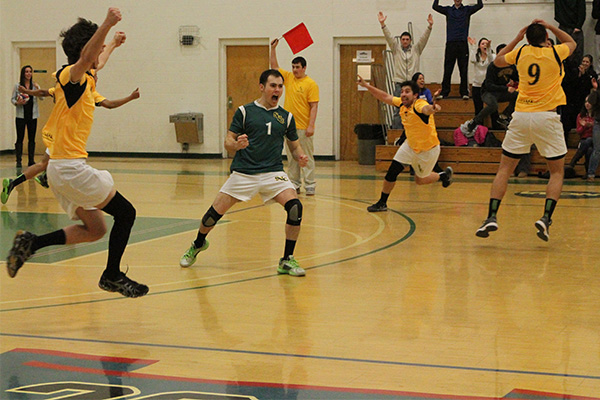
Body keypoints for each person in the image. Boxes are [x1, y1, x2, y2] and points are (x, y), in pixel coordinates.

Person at [5, 8, 149, 298]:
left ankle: (31, 243)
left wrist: (113, 46)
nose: (98, 57)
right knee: (126, 214)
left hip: (61, 170)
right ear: (87, 50)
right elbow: (87, 59)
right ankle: (112, 275)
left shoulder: (85, 78)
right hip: (70, 168)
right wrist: (108, 24)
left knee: (95, 229)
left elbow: (97, 61)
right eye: (96, 48)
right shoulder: (72, 76)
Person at [179, 69, 309, 277]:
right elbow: (228, 141)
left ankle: (286, 260)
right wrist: (237, 145)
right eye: (273, 86)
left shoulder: (286, 117)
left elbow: (294, 146)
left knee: (295, 208)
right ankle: (198, 244)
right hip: (244, 173)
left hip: (273, 172)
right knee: (212, 215)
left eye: (280, 86)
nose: (277, 90)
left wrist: (300, 156)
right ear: (262, 87)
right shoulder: (245, 111)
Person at [476, 20, 576, 242]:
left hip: (521, 116)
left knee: (504, 169)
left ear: (528, 39)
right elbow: (572, 42)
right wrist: (551, 27)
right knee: (557, 172)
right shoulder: (556, 52)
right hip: (547, 117)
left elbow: (498, 60)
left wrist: (517, 37)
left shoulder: (521, 52)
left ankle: (491, 216)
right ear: (546, 40)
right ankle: (545, 218)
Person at [1, 31, 128, 205]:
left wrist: (113, 43)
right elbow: (44, 91)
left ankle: (35, 179)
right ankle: (31, 180)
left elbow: (101, 61)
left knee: (45, 165)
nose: (96, 72)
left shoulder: (88, 85)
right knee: (44, 165)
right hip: (61, 139)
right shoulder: (72, 79)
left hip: (64, 141)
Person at [356, 77, 453, 212]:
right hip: (410, 145)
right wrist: (366, 85)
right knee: (391, 173)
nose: (403, 94)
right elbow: (384, 96)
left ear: (415, 95)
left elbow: (426, 109)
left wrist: (433, 108)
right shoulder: (402, 104)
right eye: (402, 91)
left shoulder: (418, 104)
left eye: (407, 92)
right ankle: (382, 203)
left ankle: (443, 175)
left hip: (428, 150)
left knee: (420, 180)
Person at [270, 39, 319, 196]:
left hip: (303, 127)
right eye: (293, 67)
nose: (295, 70)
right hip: (289, 126)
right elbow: (274, 68)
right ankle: (294, 184)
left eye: (298, 67)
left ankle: (310, 184)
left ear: (304, 68)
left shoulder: (311, 84)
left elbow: (314, 106)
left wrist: (311, 126)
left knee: (306, 157)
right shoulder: (289, 78)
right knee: (292, 158)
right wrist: (273, 49)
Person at [378, 12, 433, 127]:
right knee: (398, 110)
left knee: (414, 108)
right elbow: (389, 37)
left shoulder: (416, 49)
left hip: (413, 84)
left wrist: (429, 27)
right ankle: (397, 132)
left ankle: (412, 129)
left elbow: (424, 39)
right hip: (399, 83)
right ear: (401, 40)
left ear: (410, 40)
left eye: (407, 39)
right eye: (403, 39)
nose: (405, 41)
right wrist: (383, 24)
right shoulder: (396, 49)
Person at [432, 0, 483, 100]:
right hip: (451, 43)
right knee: (448, 69)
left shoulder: (467, 10)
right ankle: (445, 92)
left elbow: (480, 5)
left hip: (462, 43)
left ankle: (464, 92)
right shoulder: (448, 10)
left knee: (463, 69)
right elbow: (435, 6)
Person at [464, 44, 519, 134]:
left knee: (518, 96)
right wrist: (506, 88)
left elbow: (518, 77)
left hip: (501, 92)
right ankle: (474, 122)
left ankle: (504, 116)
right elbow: (489, 85)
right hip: (488, 92)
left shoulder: (511, 66)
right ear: (497, 55)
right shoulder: (493, 66)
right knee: (493, 106)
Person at [11, 66, 42, 169]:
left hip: (32, 116)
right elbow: (12, 99)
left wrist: (38, 88)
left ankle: (31, 160)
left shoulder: (34, 86)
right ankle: (19, 160)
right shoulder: (18, 86)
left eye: (30, 72)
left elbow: (41, 97)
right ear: (23, 73)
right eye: (26, 72)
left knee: (32, 138)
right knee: (20, 138)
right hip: (21, 116)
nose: (28, 74)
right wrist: (17, 102)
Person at [566, 95, 595, 174]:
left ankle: (572, 163)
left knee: (589, 140)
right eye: (586, 102)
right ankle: (588, 173)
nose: (587, 104)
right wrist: (584, 126)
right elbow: (579, 131)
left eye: (589, 102)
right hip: (584, 140)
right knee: (589, 150)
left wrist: (592, 125)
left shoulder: (597, 116)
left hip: (596, 140)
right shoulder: (581, 116)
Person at [468, 37, 495, 116]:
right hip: (477, 85)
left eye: (486, 44)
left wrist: (489, 48)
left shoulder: (492, 55)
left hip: (488, 86)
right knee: (478, 108)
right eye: (483, 44)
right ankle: (479, 126)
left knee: (492, 106)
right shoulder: (477, 56)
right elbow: (472, 59)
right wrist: (473, 46)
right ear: (479, 46)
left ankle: (495, 125)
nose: (485, 45)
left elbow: (491, 60)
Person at [554, 0, 586, 65]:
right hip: (573, 27)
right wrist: (579, 25)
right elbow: (582, 10)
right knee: (576, 55)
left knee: (563, 54)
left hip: (564, 26)